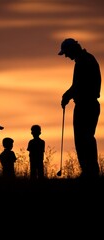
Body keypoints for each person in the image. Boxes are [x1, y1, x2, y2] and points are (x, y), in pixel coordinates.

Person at [58, 38, 101, 178]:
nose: (66, 56)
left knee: (84, 139)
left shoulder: (84, 61)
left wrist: (67, 96)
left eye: (66, 52)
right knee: (86, 138)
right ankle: (89, 171)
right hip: (88, 105)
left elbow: (79, 85)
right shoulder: (86, 59)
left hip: (86, 105)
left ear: (72, 49)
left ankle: (90, 172)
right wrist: (67, 95)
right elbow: (77, 85)